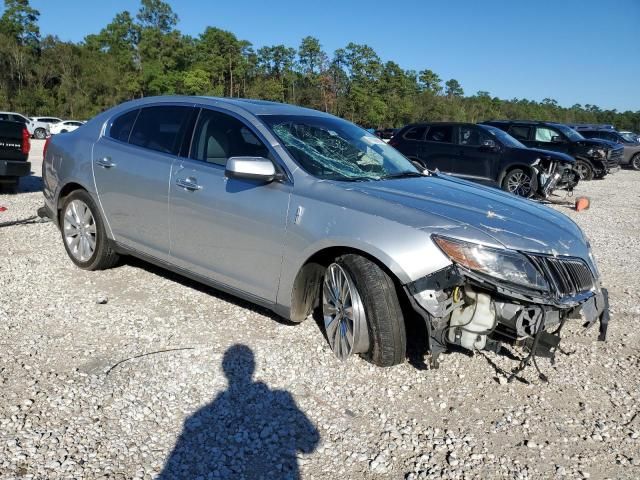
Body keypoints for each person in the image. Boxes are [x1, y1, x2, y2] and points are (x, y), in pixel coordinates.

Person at [157, 344, 320, 479]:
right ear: (253, 366)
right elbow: (310, 444)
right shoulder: (282, 399)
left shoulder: (200, 416)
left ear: (225, 370)